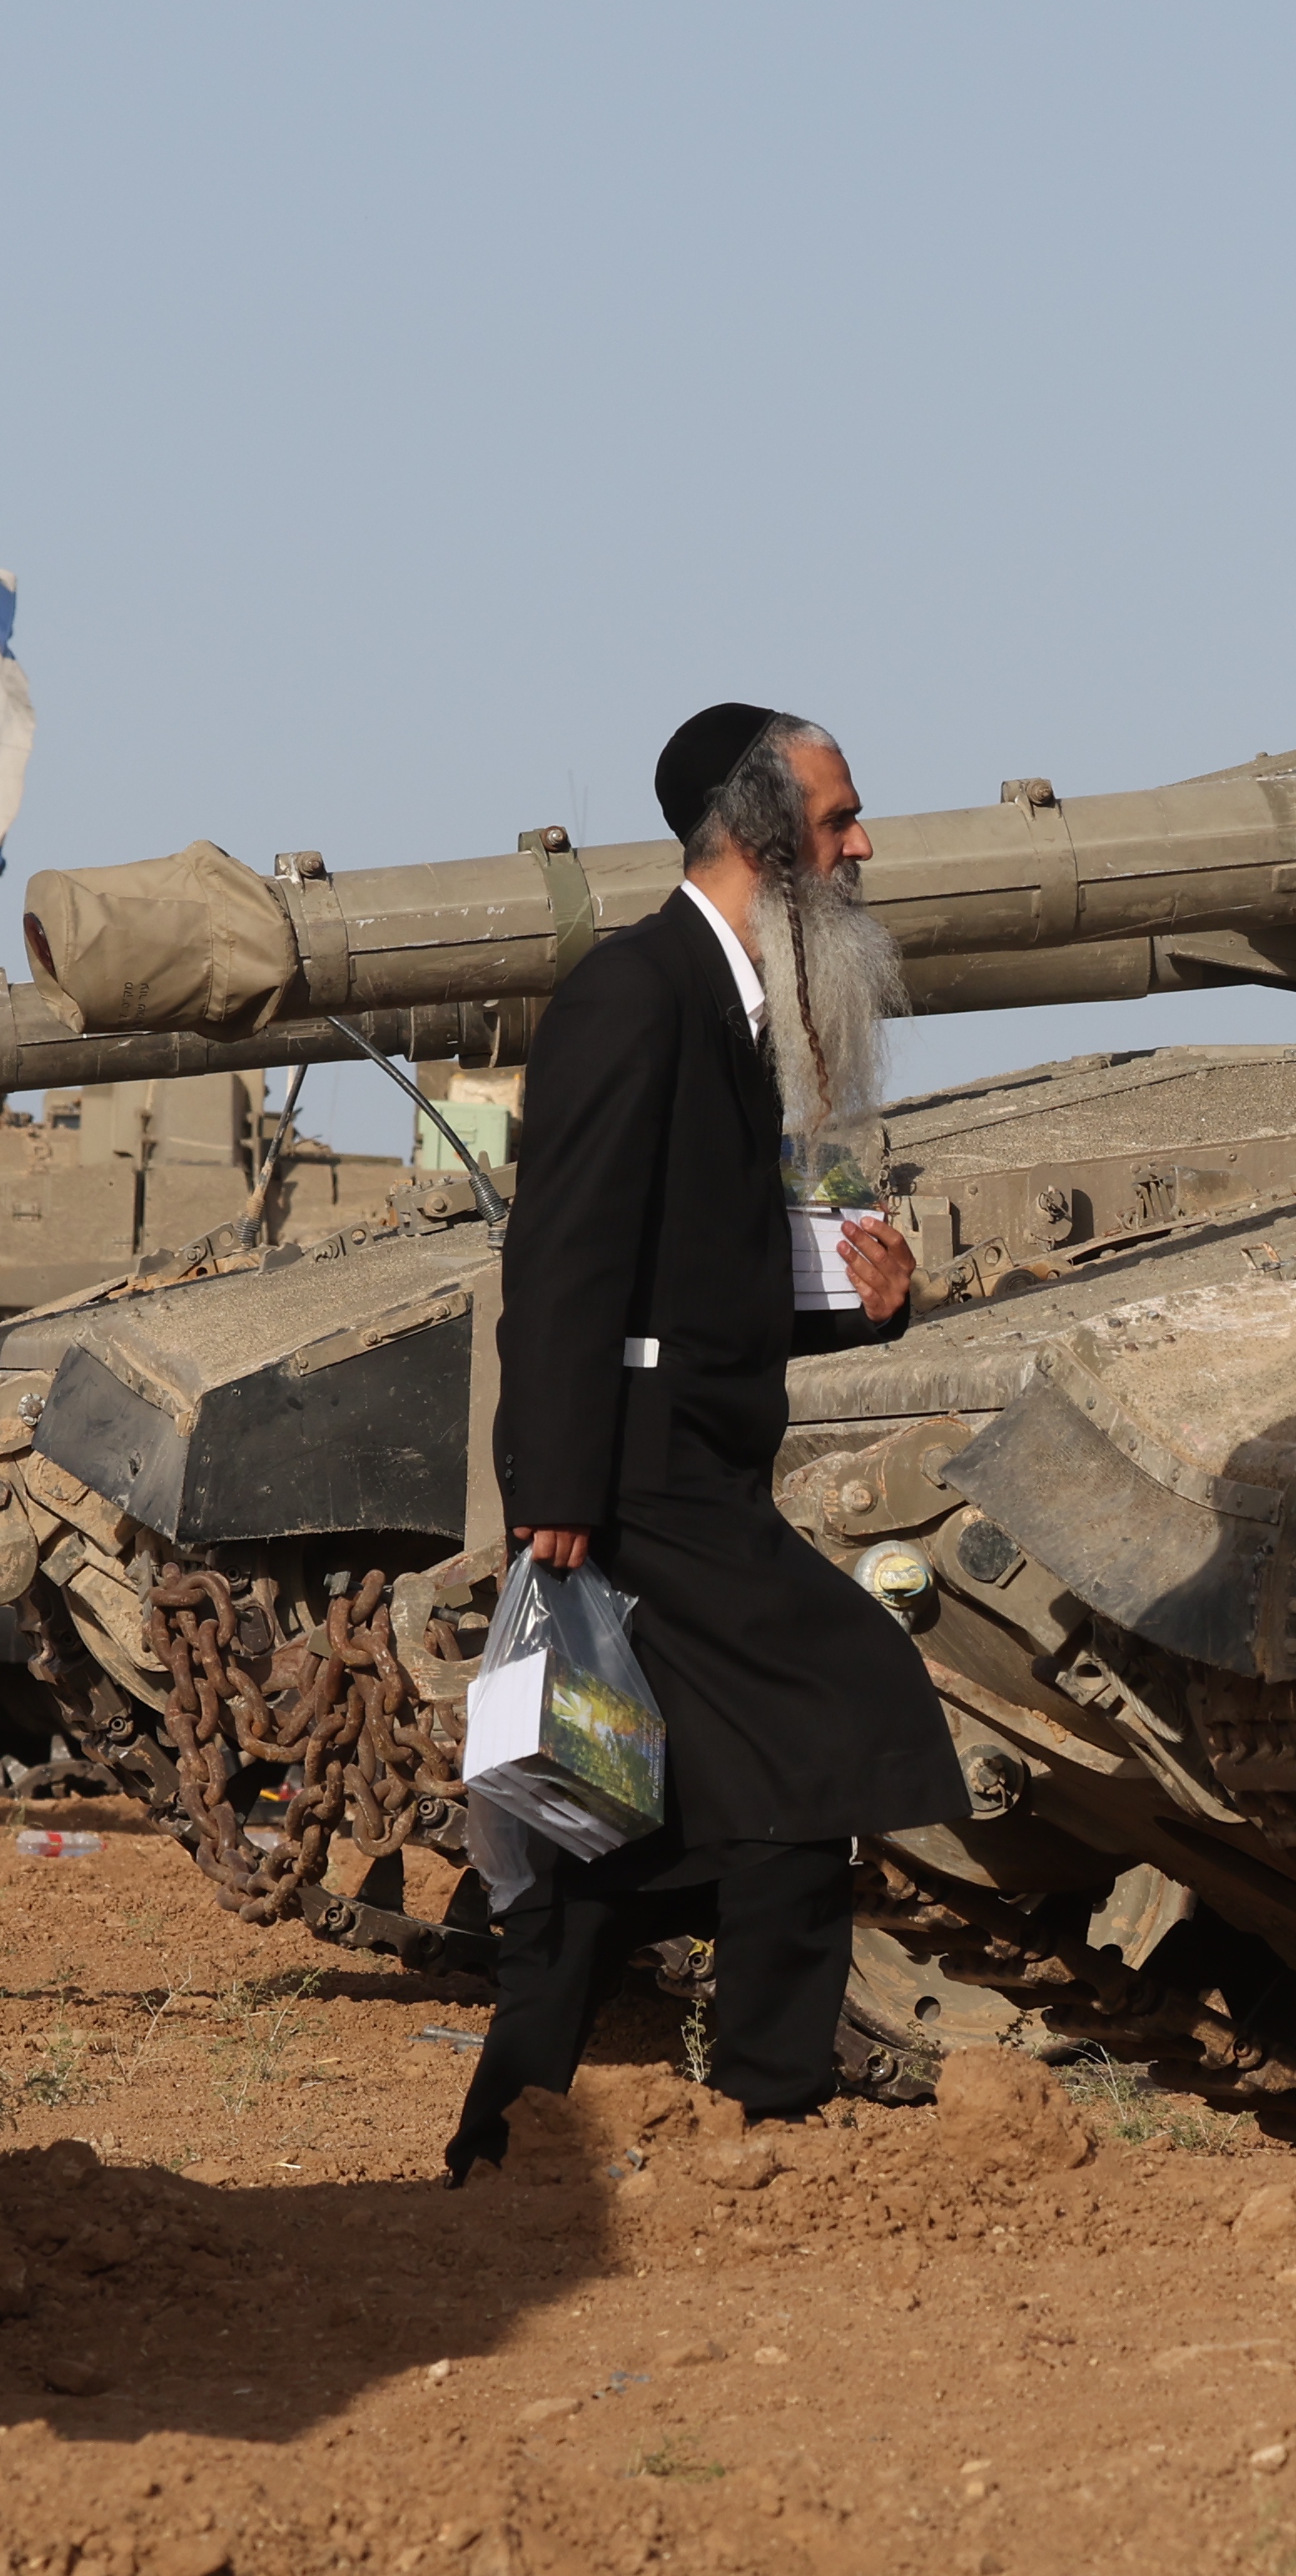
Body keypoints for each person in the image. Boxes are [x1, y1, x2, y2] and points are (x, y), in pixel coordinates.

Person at [443, 703, 963, 2179]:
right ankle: (767, 2100)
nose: (861, 846)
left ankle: (534, 2124)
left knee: (635, 1800)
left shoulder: (727, 1003)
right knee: (837, 1710)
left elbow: (693, 1261)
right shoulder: (639, 990)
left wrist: (857, 1301)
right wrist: (553, 1480)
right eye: (839, 818)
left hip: (685, 1451)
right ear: (758, 837)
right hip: (641, 1468)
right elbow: (561, 1250)